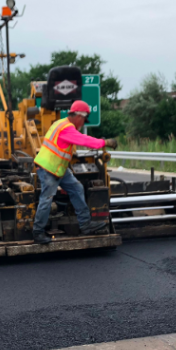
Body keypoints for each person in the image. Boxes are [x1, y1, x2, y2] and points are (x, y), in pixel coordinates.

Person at [33, 100, 118, 244]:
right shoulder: (67, 128)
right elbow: (84, 140)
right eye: (84, 120)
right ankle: (38, 232)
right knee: (47, 198)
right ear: (79, 116)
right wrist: (105, 142)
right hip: (48, 169)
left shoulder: (59, 123)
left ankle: (85, 225)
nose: (83, 123)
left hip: (58, 168)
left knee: (77, 188)